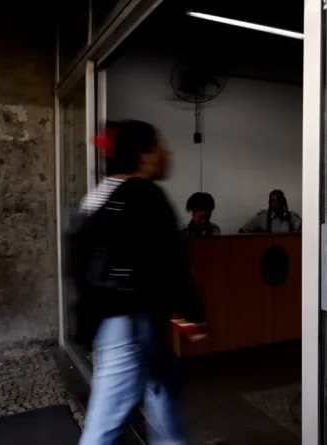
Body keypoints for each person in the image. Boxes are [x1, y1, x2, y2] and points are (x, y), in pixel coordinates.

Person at [69, 120, 205, 445]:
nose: (166, 154)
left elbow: (79, 263)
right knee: (105, 427)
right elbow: (171, 261)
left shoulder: (98, 196)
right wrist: (193, 312)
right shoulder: (146, 194)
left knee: (164, 391)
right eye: (160, 147)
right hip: (130, 326)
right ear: (144, 155)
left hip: (122, 322)